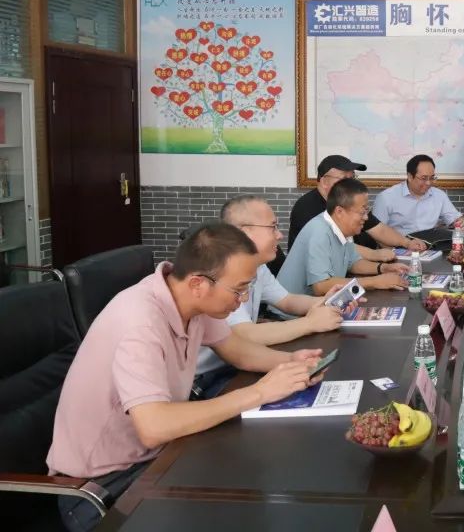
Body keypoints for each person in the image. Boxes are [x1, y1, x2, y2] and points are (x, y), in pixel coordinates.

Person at [47, 223, 324, 531]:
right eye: (238, 290)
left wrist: (291, 363)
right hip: (100, 488)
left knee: (255, 474)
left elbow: (238, 351)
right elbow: (154, 427)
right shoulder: (140, 323)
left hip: (157, 456)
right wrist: (259, 392)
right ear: (197, 284)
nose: (243, 299)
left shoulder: (191, 301)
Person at [192, 195, 345, 398]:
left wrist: (327, 302)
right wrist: (310, 323)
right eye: (272, 227)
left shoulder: (258, 266)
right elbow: (245, 335)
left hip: (237, 364)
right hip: (206, 380)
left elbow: (286, 300)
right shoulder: (217, 272)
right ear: (243, 233)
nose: (279, 235)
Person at [278, 177, 408, 296]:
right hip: (292, 311)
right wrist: (375, 282)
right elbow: (321, 285)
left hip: (321, 303)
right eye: (362, 212)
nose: (366, 217)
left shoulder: (342, 228)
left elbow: (353, 263)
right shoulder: (319, 232)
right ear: (339, 211)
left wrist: (383, 268)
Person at [288, 154, 426, 258]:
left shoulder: (348, 201)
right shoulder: (306, 208)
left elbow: (378, 229)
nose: (351, 185)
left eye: (352, 178)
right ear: (324, 181)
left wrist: (407, 243)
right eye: (344, 179)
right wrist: (375, 255)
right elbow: (338, 247)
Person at [372, 154, 463, 236]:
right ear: (410, 176)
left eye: (432, 178)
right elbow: (376, 232)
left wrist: (460, 223)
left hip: (431, 244)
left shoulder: (439, 195)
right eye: (424, 178)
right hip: (399, 245)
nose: (428, 183)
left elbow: (456, 219)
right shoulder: (386, 198)